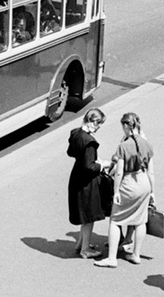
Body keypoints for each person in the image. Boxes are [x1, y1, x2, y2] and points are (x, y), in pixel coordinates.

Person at [95, 113, 155, 268]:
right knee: (140, 221)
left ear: (127, 126)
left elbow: (120, 171)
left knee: (115, 220)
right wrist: (152, 191)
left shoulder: (124, 146)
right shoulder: (147, 144)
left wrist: (116, 191)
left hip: (128, 184)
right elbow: (151, 172)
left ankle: (112, 258)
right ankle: (136, 254)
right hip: (144, 183)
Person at [67, 108, 111, 259]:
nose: (99, 127)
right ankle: (85, 249)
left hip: (76, 177)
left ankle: (81, 243)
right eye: (99, 124)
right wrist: (103, 164)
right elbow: (90, 167)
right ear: (92, 121)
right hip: (86, 183)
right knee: (88, 216)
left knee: (83, 213)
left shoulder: (76, 134)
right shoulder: (90, 142)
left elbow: (70, 152)